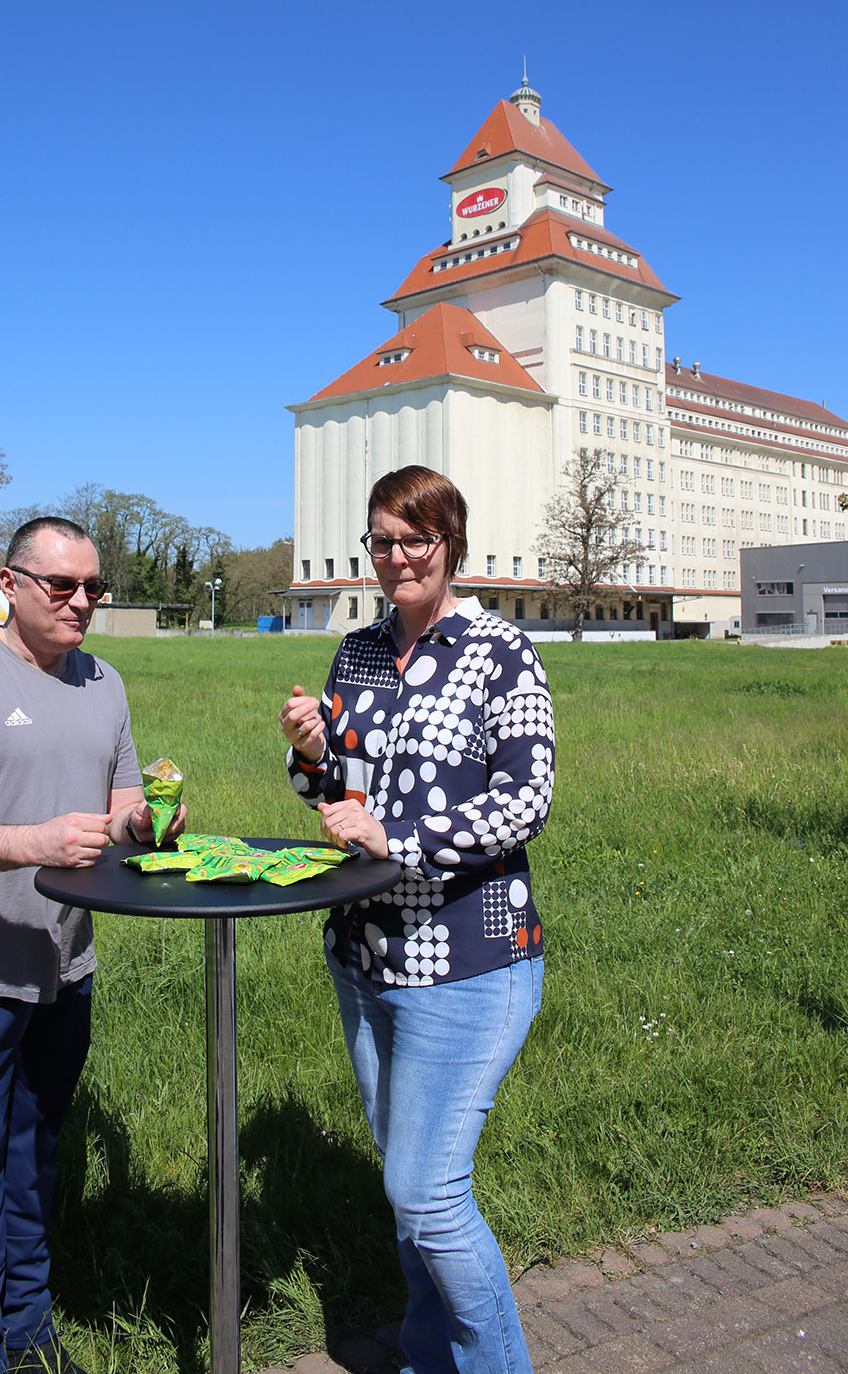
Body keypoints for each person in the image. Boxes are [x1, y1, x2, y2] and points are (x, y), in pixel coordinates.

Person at [278, 466, 554, 1374]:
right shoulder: (356, 652)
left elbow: (525, 801)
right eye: (382, 542)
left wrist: (396, 838)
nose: (397, 558)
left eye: (415, 540)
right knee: (409, 1195)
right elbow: (339, 794)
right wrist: (313, 753)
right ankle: (431, 1358)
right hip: (365, 956)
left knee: (428, 1195)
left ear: (450, 544)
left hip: (467, 960)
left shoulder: (501, 652)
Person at [0, 515, 184, 1374]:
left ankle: (28, 1332)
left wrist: (148, 823)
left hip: (65, 969)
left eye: (94, 587)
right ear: (10, 583)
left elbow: (122, 814)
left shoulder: (104, 681)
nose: (82, 601)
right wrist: (37, 843)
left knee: (34, 1157)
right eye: (62, 585)